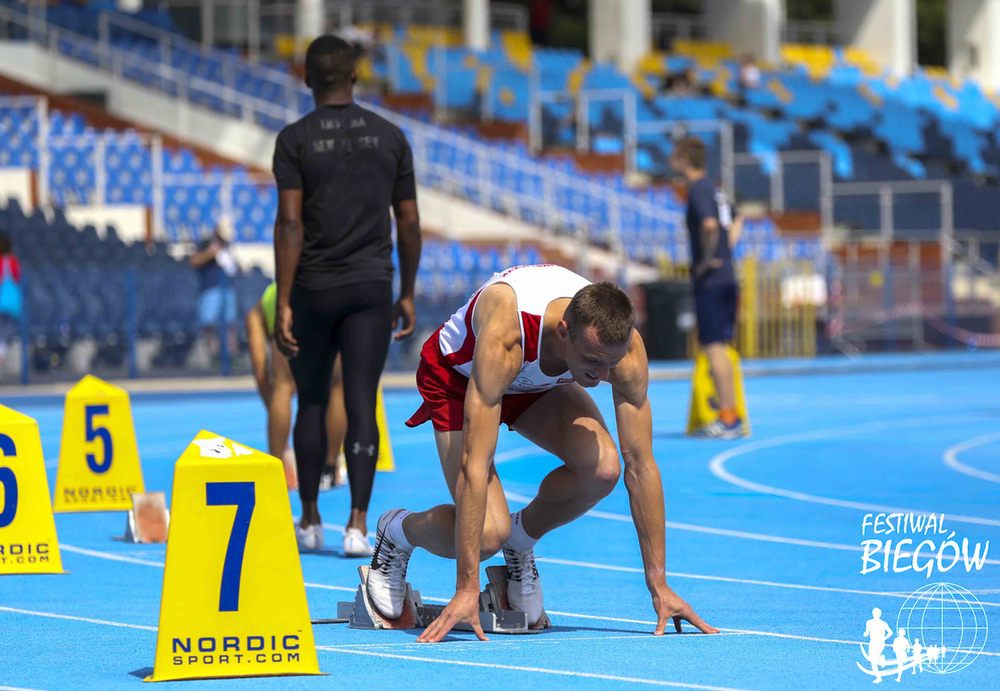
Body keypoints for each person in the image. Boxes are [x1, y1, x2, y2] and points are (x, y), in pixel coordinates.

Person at [364, 264, 718, 642]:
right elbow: (475, 465)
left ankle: (520, 539)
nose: (602, 376)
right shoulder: (507, 333)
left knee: (603, 469)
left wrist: (658, 583)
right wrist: (466, 588)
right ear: (564, 332)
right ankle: (397, 532)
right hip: (460, 378)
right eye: (592, 361)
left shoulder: (623, 351)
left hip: (535, 382)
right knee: (487, 535)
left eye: (610, 364)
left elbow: (641, 465)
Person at [273, 35, 421, 557]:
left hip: (313, 286)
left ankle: (310, 518)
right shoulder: (390, 136)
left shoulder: (294, 139)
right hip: (370, 286)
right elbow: (409, 221)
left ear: (307, 79)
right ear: (355, 77)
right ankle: (357, 526)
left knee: (312, 399)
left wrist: (283, 300)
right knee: (361, 401)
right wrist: (407, 291)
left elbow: (290, 224)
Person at [670, 136, 744, 439]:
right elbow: (737, 219)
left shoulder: (699, 189)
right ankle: (729, 415)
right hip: (726, 276)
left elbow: (710, 225)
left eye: (675, 156)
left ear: (684, 160)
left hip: (712, 280)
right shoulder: (715, 188)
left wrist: (708, 260)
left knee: (714, 348)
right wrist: (726, 253)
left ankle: (728, 417)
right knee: (720, 347)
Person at [245, 282, 347, 490]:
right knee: (337, 386)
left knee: (282, 386)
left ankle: (276, 466)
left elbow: (261, 375)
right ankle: (329, 467)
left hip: (288, 298)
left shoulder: (258, 312)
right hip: (329, 292)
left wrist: (279, 431)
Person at [189, 219, 240, 366]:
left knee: (230, 325)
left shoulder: (228, 247)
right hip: (210, 290)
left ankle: (231, 357)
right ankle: (211, 357)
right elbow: (194, 261)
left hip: (228, 290)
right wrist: (210, 253)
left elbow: (235, 268)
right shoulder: (206, 244)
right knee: (209, 325)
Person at [0, 232, 22, 371]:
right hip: (10, 304)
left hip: (4, 303)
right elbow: (17, 278)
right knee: (4, 333)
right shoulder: (13, 260)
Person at [863, 607, 892, 682]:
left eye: (877, 613)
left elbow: (890, 632)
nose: (875, 614)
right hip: (872, 642)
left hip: (879, 642)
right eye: (874, 613)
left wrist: (884, 638)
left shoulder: (883, 623)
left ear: (880, 614)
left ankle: (879, 677)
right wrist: (865, 634)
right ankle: (881, 659)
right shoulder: (869, 622)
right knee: (872, 659)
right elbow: (867, 632)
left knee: (873, 660)